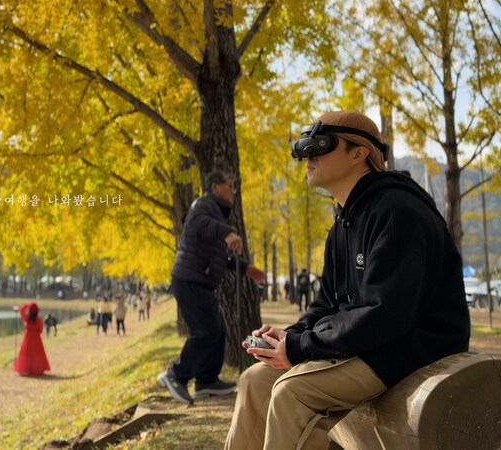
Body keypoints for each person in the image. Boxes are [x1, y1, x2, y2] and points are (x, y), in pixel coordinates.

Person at [226, 111, 470, 450]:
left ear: (359, 154)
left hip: (411, 349)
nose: (309, 157)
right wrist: (290, 337)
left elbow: (385, 314)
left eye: (321, 147)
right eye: (306, 149)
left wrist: (300, 348)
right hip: (370, 346)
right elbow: (328, 305)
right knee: (255, 381)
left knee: (292, 392)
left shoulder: (398, 211)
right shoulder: (343, 223)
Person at [157, 171, 268, 404]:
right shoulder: (204, 205)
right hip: (189, 280)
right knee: (205, 330)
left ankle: (206, 380)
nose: (234, 191)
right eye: (230, 186)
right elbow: (199, 222)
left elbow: (221, 258)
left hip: (200, 283)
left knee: (216, 331)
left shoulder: (216, 213)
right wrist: (227, 233)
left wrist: (247, 268)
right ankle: (175, 375)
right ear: (215, 187)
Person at [14, 302, 51, 376]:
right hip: (36, 338)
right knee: (36, 354)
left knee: (27, 353)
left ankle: (26, 368)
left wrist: (27, 305)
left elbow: (21, 310)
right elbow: (41, 329)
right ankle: (36, 369)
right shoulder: (39, 319)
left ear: (30, 311)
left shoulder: (27, 318)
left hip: (27, 338)